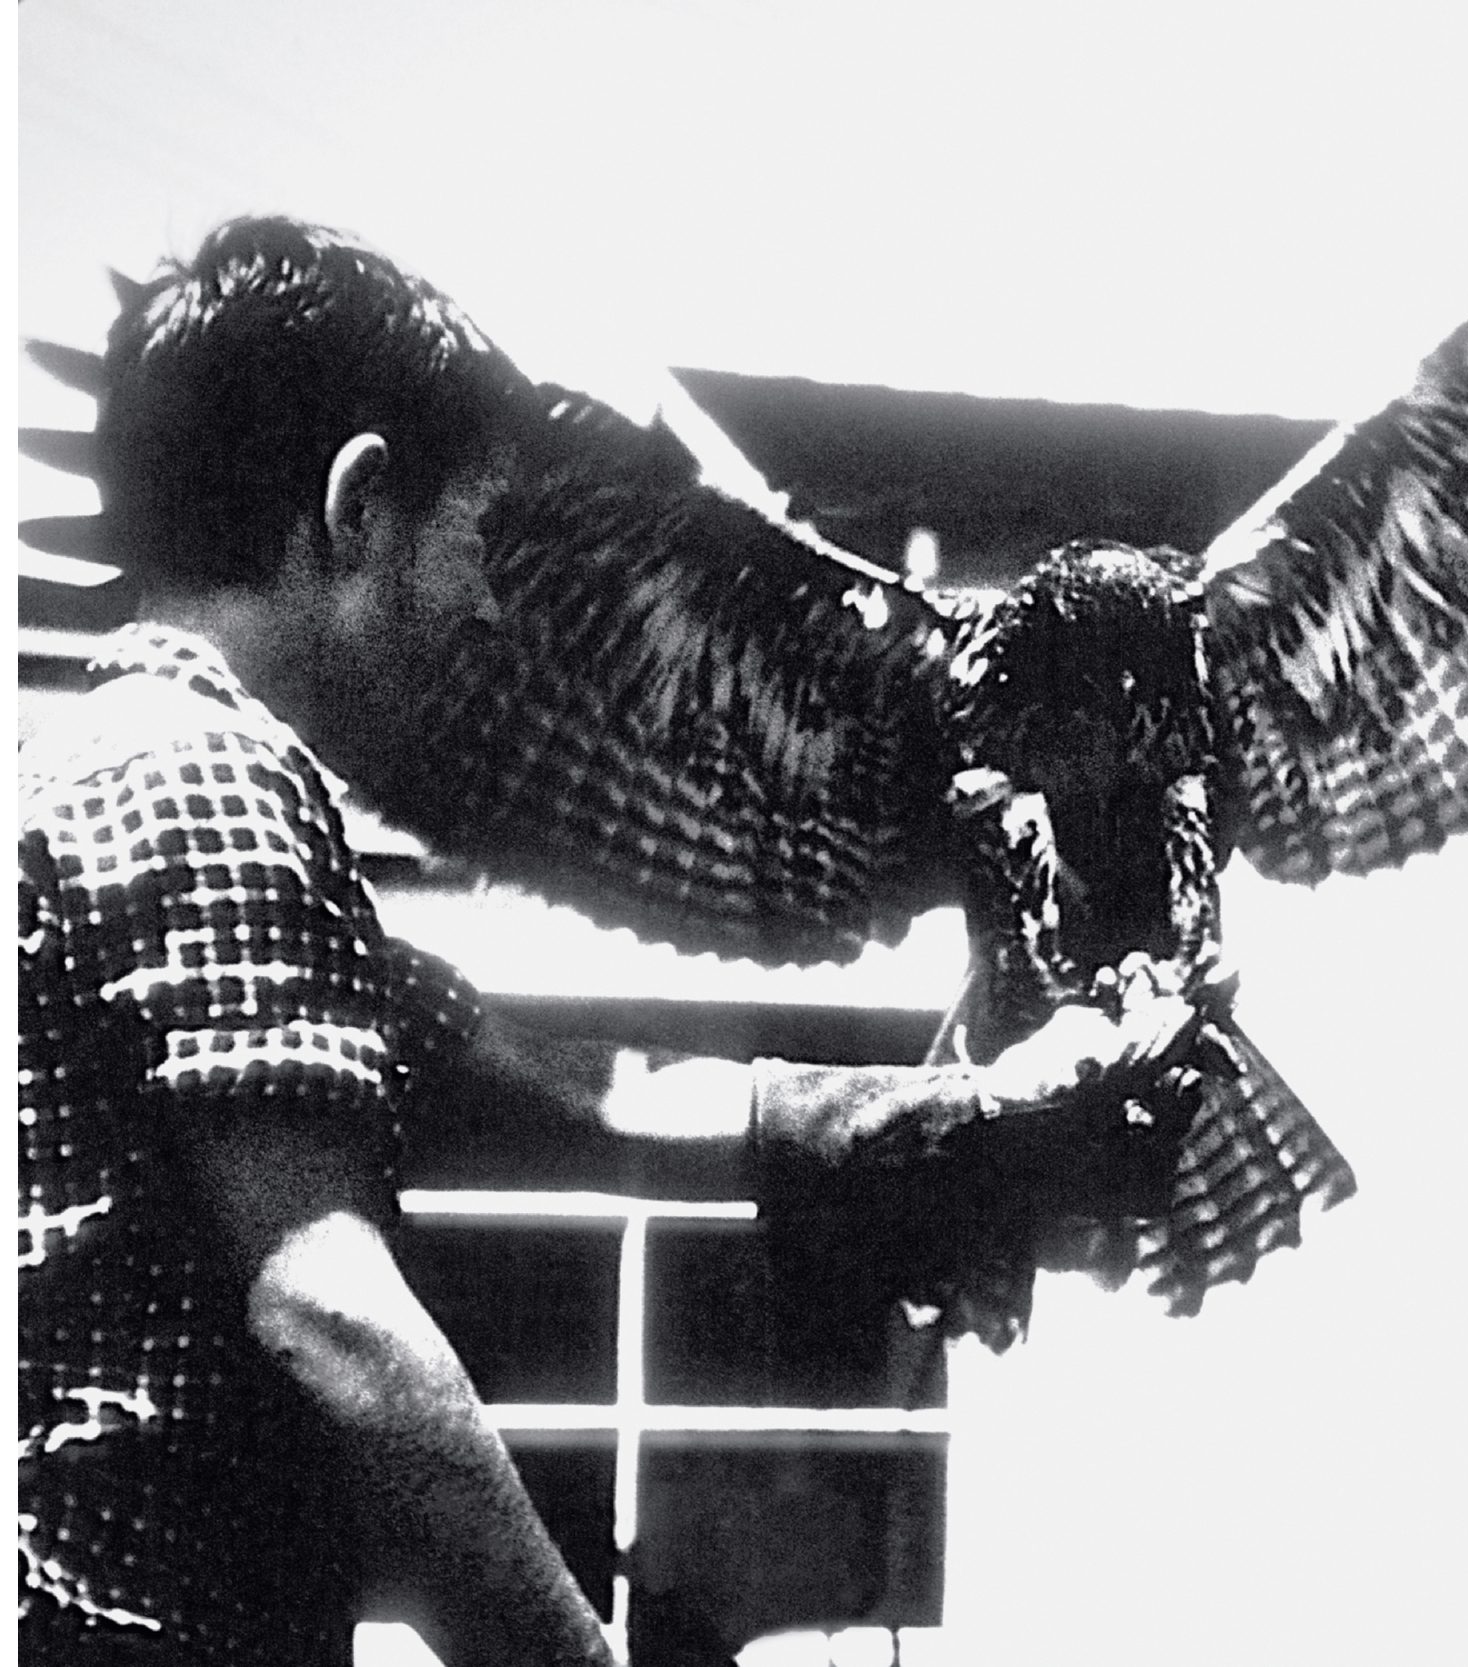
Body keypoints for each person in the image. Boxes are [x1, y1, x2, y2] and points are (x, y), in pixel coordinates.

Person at [18, 216, 1196, 1663]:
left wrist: (906, 1116)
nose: (494, 605)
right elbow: (336, 1327)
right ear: (360, 509)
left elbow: (545, 1084)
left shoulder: (113, 783)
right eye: (483, 544)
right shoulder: (205, 778)